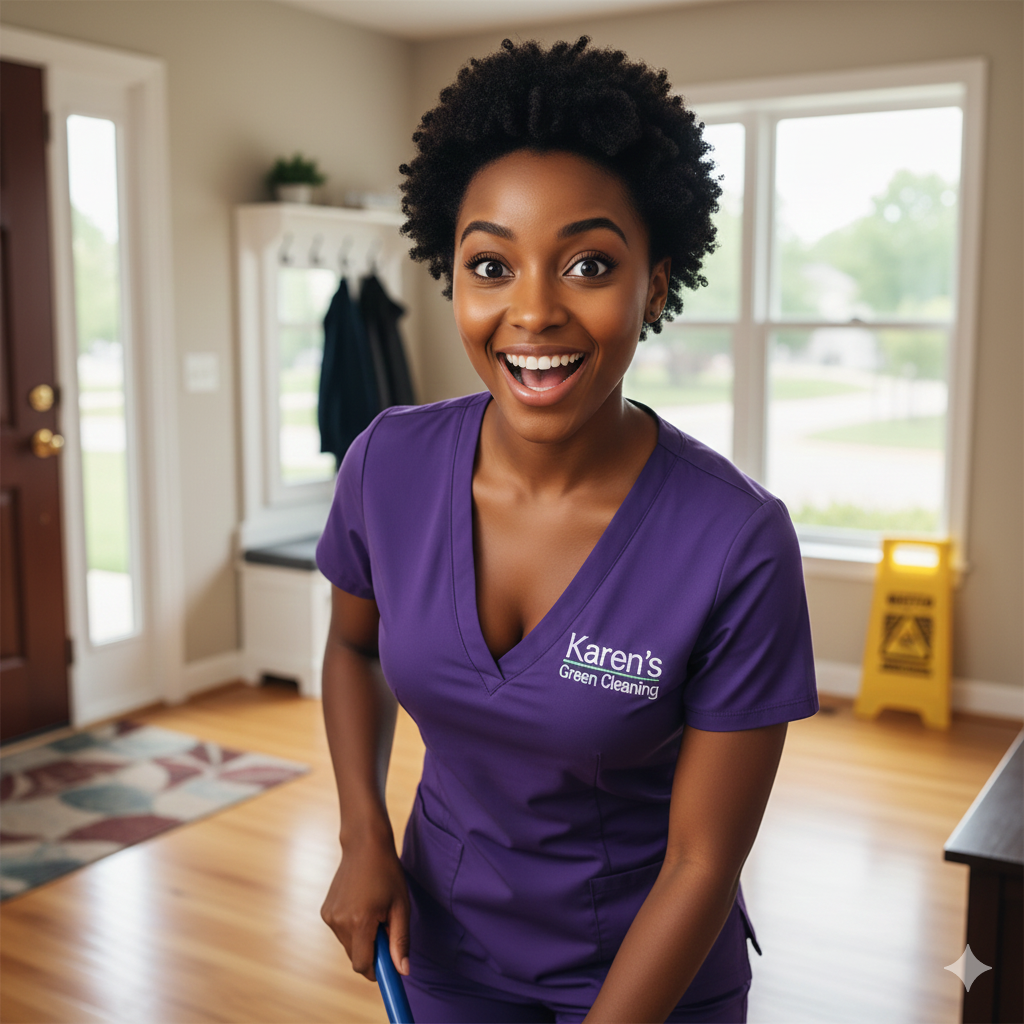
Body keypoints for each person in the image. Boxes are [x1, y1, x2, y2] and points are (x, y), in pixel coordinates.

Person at [316, 37, 818, 1024]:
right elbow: (350, 644)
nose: (533, 311)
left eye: (588, 263)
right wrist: (361, 835)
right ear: (450, 276)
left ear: (657, 283)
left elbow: (702, 858)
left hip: (651, 971)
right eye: (491, 265)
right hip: (444, 949)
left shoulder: (736, 540)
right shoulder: (389, 463)